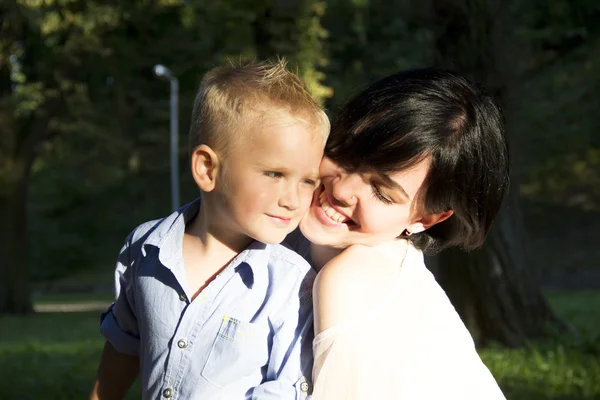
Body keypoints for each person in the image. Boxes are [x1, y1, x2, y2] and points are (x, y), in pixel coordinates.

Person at [89, 59, 329, 400]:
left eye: (308, 181)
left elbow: (287, 390)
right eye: (275, 174)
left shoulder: (293, 285)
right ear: (207, 168)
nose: (293, 199)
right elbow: (125, 342)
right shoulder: (144, 249)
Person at [289, 68, 509, 399]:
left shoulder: (351, 279)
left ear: (426, 218)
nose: (344, 190)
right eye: (345, 154)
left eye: (381, 192)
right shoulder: (292, 241)